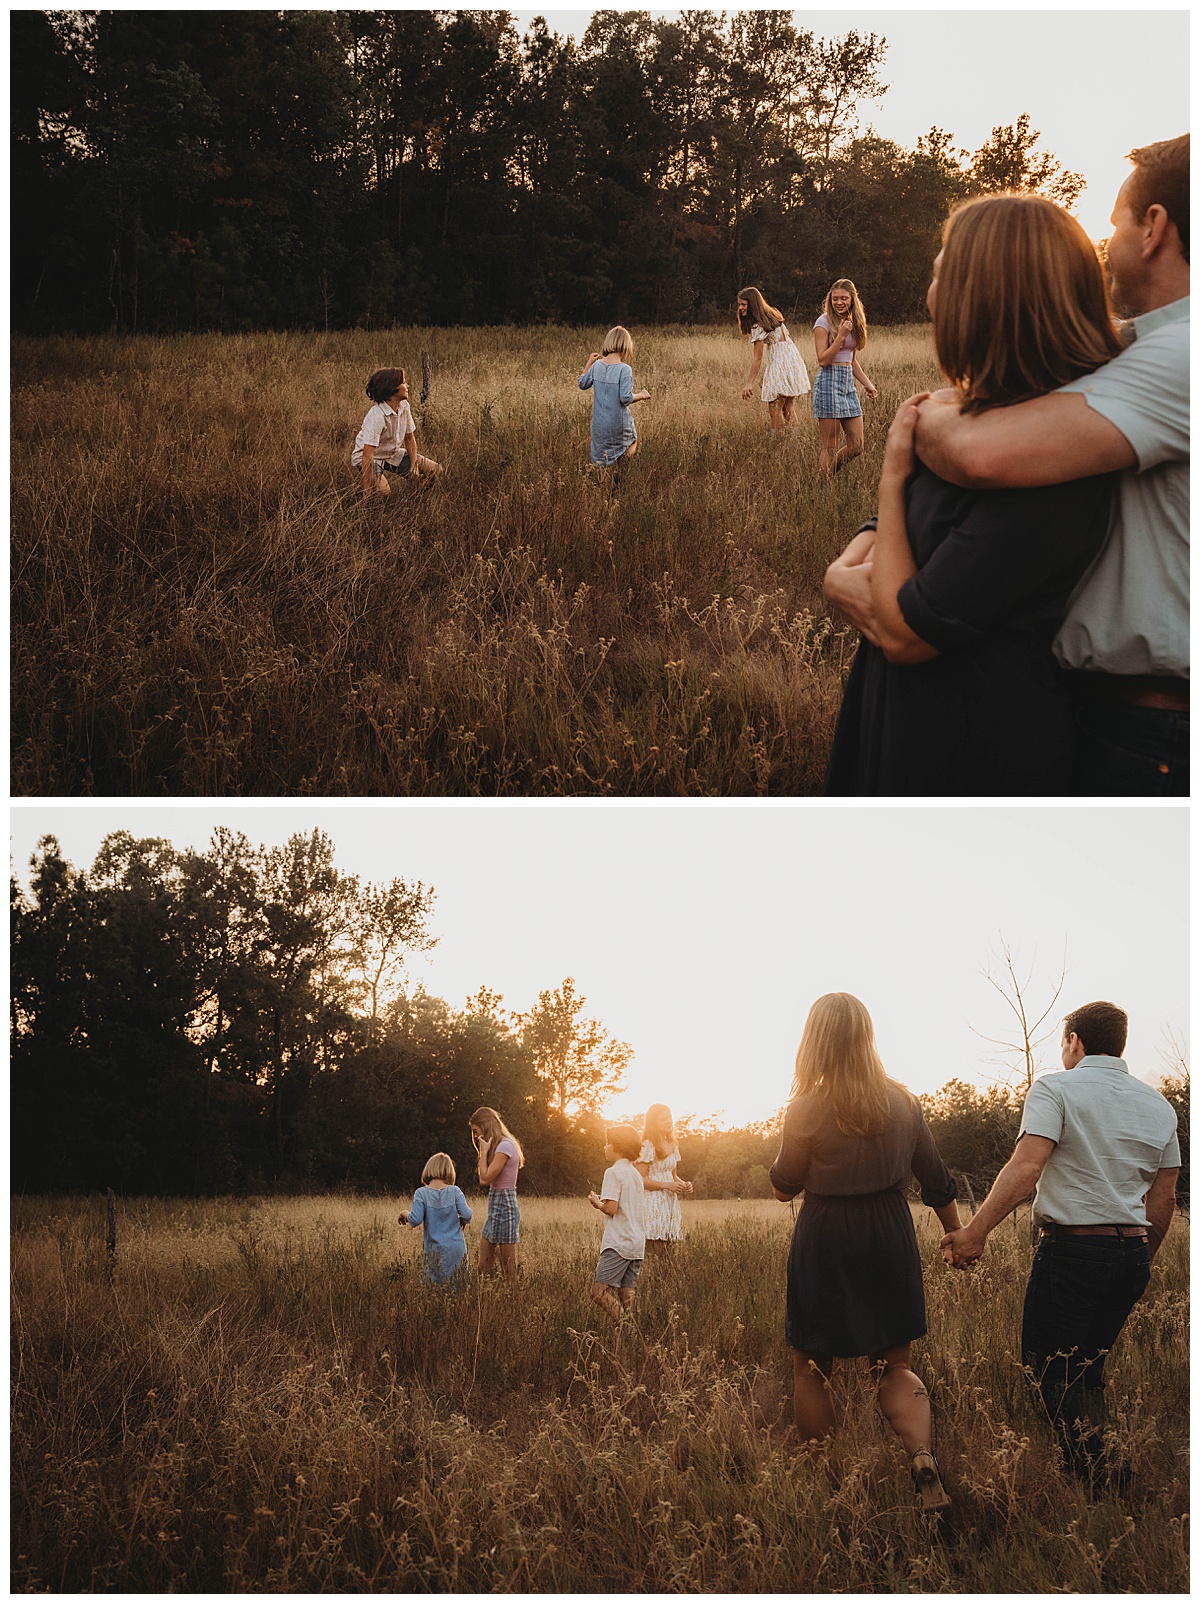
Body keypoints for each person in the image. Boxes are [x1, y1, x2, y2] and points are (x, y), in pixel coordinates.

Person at [911, 136, 1189, 796]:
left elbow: (980, 453)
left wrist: (912, 423)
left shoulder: (1181, 355)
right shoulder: (1138, 352)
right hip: (1107, 712)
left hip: (1156, 731)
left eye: (1115, 221)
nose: (1106, 243)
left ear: (1153, 228)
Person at [822, 193, 1120, 795]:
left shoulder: (1048, 459)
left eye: (942, 265)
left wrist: (891, 474)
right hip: (906, 715)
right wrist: (842, 569)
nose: (931, 286)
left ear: (984, 293)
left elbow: (906, 631)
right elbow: (901, 533)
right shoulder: (970, 420)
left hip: (970, 741)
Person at [941, 1001, 1179, 1490]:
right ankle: (1086, 1476)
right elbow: (1165, 1195)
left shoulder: (1055, 1088)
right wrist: (1137, 1260)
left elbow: (1027, 1168)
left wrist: (974, 1232)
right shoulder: (1158, 1106)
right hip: (1132, 1252)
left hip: (1073, 1251)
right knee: (1088, 1370)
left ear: (1075, 1041)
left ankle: (1113, 1476)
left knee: (1048, 1369)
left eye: (1063, 1041)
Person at [768, 992, 961, 1510]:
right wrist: (957, 1235)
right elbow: (937, 1181)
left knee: (811, 1368)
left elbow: (784, 1187)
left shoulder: (805, 1108)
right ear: (867, 1038)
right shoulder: (903, 1101)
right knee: (894, 1365)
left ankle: (829, 1489)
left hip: (826, 1233)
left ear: (814, 1043)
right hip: (889, 1232)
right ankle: (921, 1456)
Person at [812, 279, 877, 475]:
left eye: (844, 298)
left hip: (847, 384)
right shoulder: (823, 322)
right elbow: (823, 360)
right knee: (830, 445)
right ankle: (823, 484)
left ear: (852, 300)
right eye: (835, 299)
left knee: (857, 445)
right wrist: (840, 336)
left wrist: (867, 384)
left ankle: (828, 474)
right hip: (828, 382)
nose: (839, 302)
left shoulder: (853, 323)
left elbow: (851, 360)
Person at [352, 367, 442, 498]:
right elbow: (367, 455)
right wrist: (367, 490)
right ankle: (365, 500)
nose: (407, 386)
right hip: (369, 457)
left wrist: (413, 467)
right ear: (392, 388)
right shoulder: (377, 416)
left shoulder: (404, 405)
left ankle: (414, 497)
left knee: (436, 470)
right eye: (404, 382)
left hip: (392, 453)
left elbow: (409, 438)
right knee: (383, 492)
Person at [587, 1123, 647, 1322]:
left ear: (618, 1147)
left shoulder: (613, 1172)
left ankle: (627, 1329)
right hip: (636, 1242)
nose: (605, 1147)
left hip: (618, 1242)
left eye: (608, 1143)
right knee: (626, 1294)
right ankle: (634, 1335)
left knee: (598, 1292)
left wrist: (597, 1202)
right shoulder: (635, 1174)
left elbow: (611, 1208)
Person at [737, 286, 811, 430]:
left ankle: (778, 442)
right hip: (793, 359)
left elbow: (757, 358)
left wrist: (749, 383)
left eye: (744, 304)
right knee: (788, 407)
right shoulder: (772, 314)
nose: (740, 308)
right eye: (739, 304)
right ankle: (794, 441)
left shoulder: (758, 325)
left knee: (774, 408)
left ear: (753, 304)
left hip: (780, 363)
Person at [578, 327, 650, 470]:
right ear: (626, 346)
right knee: (632, 441)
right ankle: (620, 474)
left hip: (599, 425)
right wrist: (642, 395)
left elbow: (582, 384)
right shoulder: (624, 369)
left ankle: (604, 488)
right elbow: (625, 398)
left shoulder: (596, 365)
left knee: (601, 460)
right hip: (619, 423)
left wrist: (589, 363)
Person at [398, 1152, 472, 1283]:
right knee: (457, 1285)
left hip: (433, 1249)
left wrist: (404, 1213)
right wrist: (462, 1221)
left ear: (428, 1169)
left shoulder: (421, 1193)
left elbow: (415, 1220)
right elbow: (467, 1215)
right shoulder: (455, 1191)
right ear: (450, 1171)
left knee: (433, 1286)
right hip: (456, 1248)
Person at [469, 1106, 524, 1282]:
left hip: (505, 1205)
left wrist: (484, 1152)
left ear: (485, 1125)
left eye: (476, 1131)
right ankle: (486, 1302)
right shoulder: (501, 1146)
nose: (476, 1136)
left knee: (509, 1273)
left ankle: (514, 1303)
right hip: (495, 1205)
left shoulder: (505, 1146)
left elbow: (484, 1179)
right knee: (483, 1267)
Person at [635, 1104, 693, 1259]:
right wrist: (666, 1185)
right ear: (653, 1122)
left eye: (670, 1117)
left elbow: (672, 1175)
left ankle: (664, 1281)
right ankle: (650, 1279)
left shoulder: (673, 1144)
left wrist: (684, 1184)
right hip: (652, 1201)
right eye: (663, 1119)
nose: (669, 1121)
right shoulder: (647, 1145)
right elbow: (639, 1180)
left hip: (669, 1201)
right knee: (654, 1247)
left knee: (668, 1249)